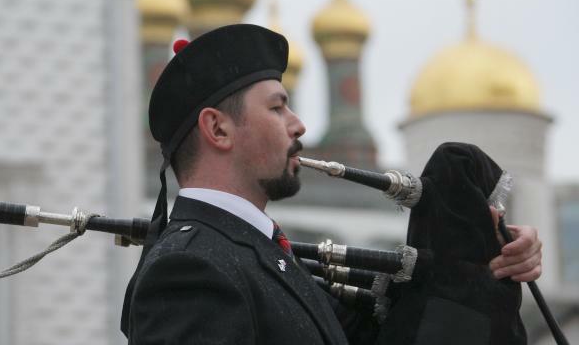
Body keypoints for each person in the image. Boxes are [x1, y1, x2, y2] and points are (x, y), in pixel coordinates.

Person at [120, 24, 542, 344]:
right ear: (218, 129)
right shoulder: (190, 268)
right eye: (278, 107)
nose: (298, 124)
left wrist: (485, 251)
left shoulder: (262, 255)